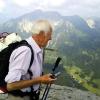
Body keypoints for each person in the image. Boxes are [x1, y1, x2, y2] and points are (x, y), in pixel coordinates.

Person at [0, 20, 56, 100]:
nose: (50, 38)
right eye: (49, 35)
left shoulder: (38, 48)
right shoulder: (25, 52)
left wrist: (43, 78)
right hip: (20, 98)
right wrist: (40, 79)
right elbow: (11, 85)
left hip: (30, 95)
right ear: (41, 34)